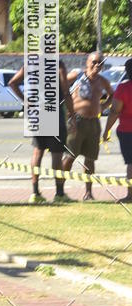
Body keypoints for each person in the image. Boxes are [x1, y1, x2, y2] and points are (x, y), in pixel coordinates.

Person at [9, 60, 74, 203]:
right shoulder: (58, 64)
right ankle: (59, 193)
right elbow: (65, 91)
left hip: (37, 114)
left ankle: (35, 192)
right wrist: (72, 115)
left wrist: (26, 101)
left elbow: (12, 83)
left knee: (38, 152)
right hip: (54, 113)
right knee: (56, 154)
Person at [62, 52, 113, 201]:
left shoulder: (103, 81)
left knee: (90, 159)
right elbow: (59, 84)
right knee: (70, 157)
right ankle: (60, 190)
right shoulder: (77, 76)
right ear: (87, 62)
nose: (97, 65)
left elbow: (112, 94)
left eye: (100, 63)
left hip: (94, 123)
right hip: (76, 121)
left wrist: (103, 106)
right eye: (94, 62)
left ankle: (88, 193)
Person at [103, 58, 132, 204]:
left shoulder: (123, 88)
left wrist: (107, 130)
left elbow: (114, 111)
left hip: (127, 131)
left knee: (131, 163)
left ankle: (130, 195)